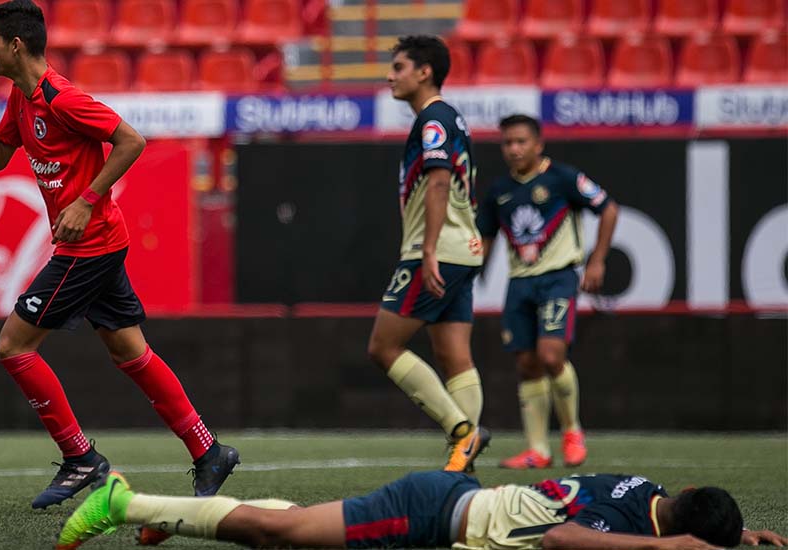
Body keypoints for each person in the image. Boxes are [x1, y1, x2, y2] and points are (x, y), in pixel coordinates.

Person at [0, 0, 239, 513]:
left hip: (87, 246)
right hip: (100, 243)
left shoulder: (61, 97)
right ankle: (209, 449)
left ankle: (80, 458)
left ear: (15, 45)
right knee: (130, 353)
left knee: (13, 347)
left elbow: (131, 140)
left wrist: (86, 200)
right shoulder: (20, 99)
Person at [57, 469, 788, 550]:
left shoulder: (645, 490)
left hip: (448, 509)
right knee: (283, 534)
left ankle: (185, 513)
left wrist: (746, 535)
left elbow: (698, 519)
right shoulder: (628, 531)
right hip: (434, 515)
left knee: (298, 525)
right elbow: (565, 540)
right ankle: (127, 501)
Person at [368, 35, 489, 472]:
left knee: (384, 346)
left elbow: (438, 181)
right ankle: (464, 462)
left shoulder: (434, 119)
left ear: (425, 72)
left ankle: (462, 432)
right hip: (465, 249)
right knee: (455, 355)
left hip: (436, 250)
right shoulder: (449, 117)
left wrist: (430, 250)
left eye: (398, 67)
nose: (389, 76)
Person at [476, 115, 619, 470]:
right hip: (519, 282)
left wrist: (597, 261)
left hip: (557, 278)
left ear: (538, 144)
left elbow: (609, 208)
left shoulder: (563, 178)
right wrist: (471, 272)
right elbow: (487, 238)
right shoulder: (498, 191)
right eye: (508, 143)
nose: (514, 149)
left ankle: (572, 430)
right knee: (526, 363)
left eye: (521, 141)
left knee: (551, 356)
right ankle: (537, 449)